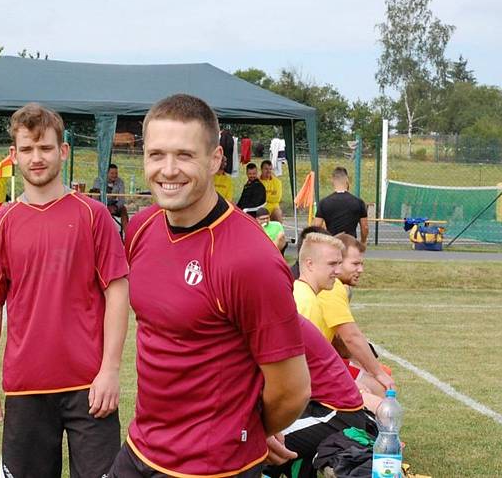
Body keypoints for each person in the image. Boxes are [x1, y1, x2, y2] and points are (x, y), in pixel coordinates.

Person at [110, 93, 310, 477]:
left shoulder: (251, 260)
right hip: (142, 449)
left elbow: (293, 390)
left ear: (215, 159)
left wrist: (246, 430)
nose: (168, 170)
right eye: (156, 155)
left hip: (214, 467)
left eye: (185, 155)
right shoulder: (142, 228)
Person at [0, 103, 130, 478]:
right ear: (14, 156)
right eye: (27, 149)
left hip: (90, 389)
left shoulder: (94, 216)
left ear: (63, 151)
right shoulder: (0, 225)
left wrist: (110, 370)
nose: (36, 158)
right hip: (26, 389)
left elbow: (117, 294)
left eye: (45, 148)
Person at [264, 317, 378, 478]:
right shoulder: (275, 317)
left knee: (252, 443)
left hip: (335, 412)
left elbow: (279, 386)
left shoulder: (275, 322)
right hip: (315, 405)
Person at [310, 233, 395, 397]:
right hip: (314, 368)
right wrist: (377, 373)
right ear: (338, 262)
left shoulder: (332, 287)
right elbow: (351, 337)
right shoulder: (332, 288)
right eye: (355, 264)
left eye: (361, 264)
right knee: (382, 388)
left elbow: (340, 342)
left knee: (377, 373)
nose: (361, 270)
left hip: (315, 363)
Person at [313, 166, 369, 244]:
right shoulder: (359, 202)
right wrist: (363, 242)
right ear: (347, 181)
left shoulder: (324, 202)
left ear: (332, 181)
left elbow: (317, 226)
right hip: (350, 244)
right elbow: (365, 227)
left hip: (332, 244)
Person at [91, 163, 129, 236]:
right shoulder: (98, 181)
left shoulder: (120, 182)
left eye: (116, 173)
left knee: (124, 210)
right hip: (101, 206)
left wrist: (116, 207)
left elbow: (122, 199)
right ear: (106, 173)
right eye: (112, 173)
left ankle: (128, 236)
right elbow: (95, 199)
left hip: (114, 205)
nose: (114, 175)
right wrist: (104, 207)